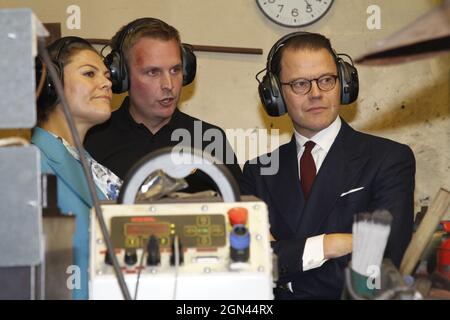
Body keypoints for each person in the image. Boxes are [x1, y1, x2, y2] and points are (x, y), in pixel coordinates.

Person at [241, 32, 415, 299]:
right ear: (275, 94)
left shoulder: (389, 160)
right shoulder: (258, 171)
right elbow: (248, 261)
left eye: (326, 80)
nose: (316, 94)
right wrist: (329, 244)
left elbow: (378, 268)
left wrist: (285, 278)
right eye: (300, 83)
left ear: (344, 84)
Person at [84, 18, 242, 193]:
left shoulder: (209, 139)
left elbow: (241, 214)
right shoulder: (92, 139)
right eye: (153, 72)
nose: (169, 84)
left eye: (175, 70)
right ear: (122, 75)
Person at [32, 37, 121, 299]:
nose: (106, 82)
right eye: (89, 74)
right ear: (51, 84)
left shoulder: (90, 165)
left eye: (106, 75)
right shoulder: (31, 162)